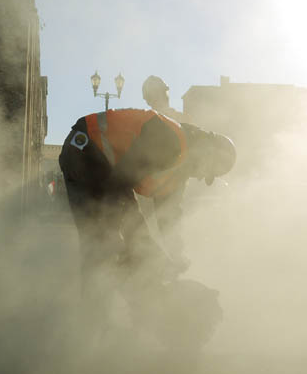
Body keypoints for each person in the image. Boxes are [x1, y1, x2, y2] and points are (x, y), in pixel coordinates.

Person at [58, 108, 235, 344]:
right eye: (209, 171)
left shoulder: (179, 170)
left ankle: (135, 319)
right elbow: (120, 183)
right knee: (102, 241)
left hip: (109, 172)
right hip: (86, 149)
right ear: (208, 152)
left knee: (137, 246)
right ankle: (92, 331)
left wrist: (174, 255)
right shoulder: (170, 140)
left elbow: (167, 217)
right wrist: (133, 242)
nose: (203, 177)